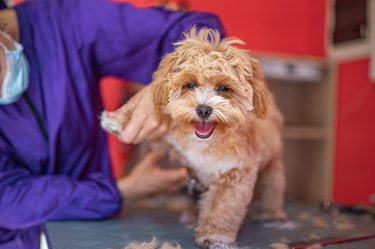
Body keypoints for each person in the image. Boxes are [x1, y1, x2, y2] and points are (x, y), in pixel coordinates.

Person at [0, 0, 224, 248]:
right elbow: (7, 197)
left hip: (89, 231)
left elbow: (200, 31)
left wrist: (166, 84)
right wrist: (120, 191)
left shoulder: (66, 22)